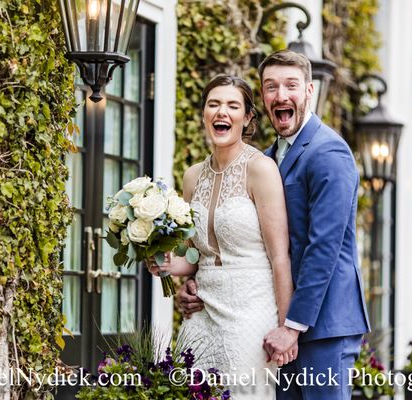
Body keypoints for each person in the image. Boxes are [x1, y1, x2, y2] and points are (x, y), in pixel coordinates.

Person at [178, 50, 371, 400]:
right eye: (271, 87)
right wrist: (193, 282)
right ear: (264, 98)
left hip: (321, 323)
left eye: (291, 85)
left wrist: (292, 326)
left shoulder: (329, 153)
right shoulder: (265, 159)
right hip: (269, 320)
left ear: (309, 91)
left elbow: (323, 248)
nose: (281, 95)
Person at [148, 74, 294, 399]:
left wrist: (286, 329)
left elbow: (280, 257)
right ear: (204, 114)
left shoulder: (261, 169)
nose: (221, 112)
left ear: (247, 118)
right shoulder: (192, 176)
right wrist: (163, 263)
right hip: (201, 312)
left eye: (232, 105)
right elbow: (194, 256)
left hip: (250, 312)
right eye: (213, 104)